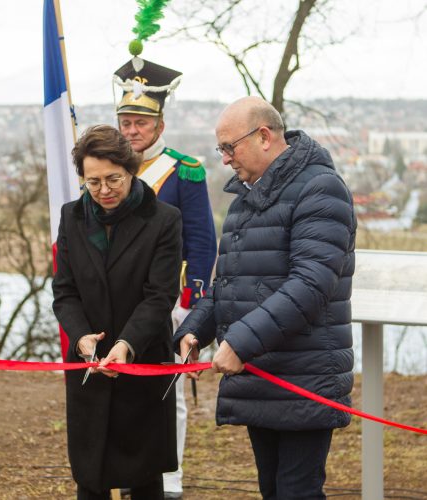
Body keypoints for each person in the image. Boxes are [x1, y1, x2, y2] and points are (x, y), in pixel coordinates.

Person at [175, 96, 357, 500]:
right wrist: (194, 330)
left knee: (297, 492)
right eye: (220, 149)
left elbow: (310, 284)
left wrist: (240, 342)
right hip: (261, 374)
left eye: (229, 147)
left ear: (263, 136)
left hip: (303, 375)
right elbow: (229, 283)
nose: (224, 159)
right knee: (272, 490)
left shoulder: (320, 189)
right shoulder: (245, 199)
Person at [52, 125, 183, 500]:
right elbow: (64, 291)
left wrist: (126, 344)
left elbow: (160, 295)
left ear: (131, 171)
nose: (104, 190)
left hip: (141, 361)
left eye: (113, 179)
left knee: (144, 478)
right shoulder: (72, 217)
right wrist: (81, 339)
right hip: (88, 366)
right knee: (90, 477)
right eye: (93, 182)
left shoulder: (163, 219)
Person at [113, 57, 217, 499]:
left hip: (169, 299)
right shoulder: (107, 170)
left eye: (140, 122)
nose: (132, 130)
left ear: (159, 124)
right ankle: (125, 467)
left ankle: (168, 478)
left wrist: (192, 302)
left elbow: (202, 240)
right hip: (120, 297)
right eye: (125, 122)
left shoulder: (183, 170)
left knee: (166, 390)